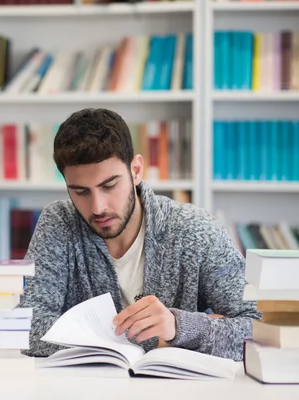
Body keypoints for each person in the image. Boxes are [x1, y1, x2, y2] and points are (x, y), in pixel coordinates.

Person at [19, 107, 260, 362]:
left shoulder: (196, 231)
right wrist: (152, 341)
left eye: (109, 185)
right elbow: (27, 328)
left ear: (136, 170)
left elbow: (261, 329)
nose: (98, 207)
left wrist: (179, 327)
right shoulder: (58, 224)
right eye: (80, 191)